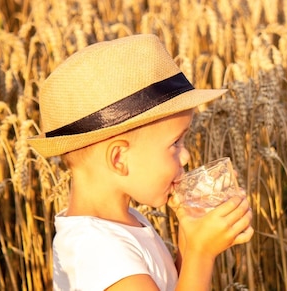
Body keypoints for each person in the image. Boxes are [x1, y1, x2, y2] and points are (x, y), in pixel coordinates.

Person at [28, 34, 254, 290]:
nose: (187, 155)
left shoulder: (124, 223)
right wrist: (201, 254)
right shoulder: (95, 251)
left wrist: (190, 239)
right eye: (175, 143)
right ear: (119, 159)